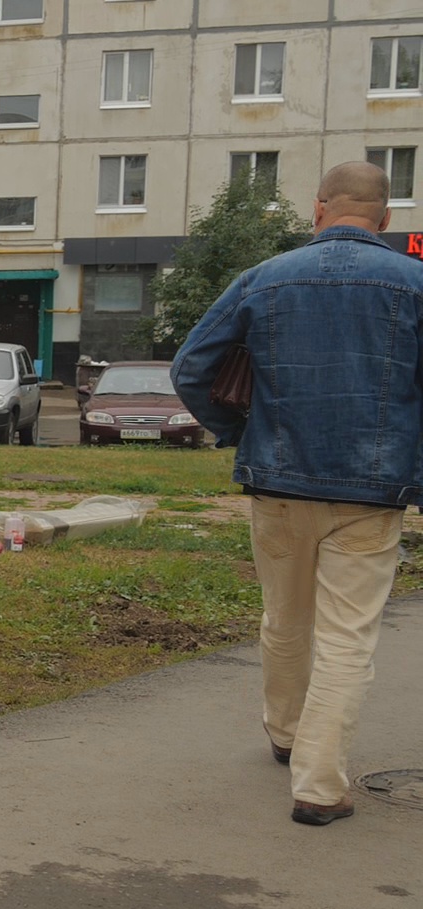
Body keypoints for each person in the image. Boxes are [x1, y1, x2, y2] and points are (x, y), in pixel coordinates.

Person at [171, 160, 423, 827]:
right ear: (386, 219)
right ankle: (317, 786)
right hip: (372, 491)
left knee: (285, 619)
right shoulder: (416, 282)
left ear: (318, 210)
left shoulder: (263, 279)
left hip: (277, 483)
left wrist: (241, 429)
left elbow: (191, 368)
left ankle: (284, 734)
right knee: (347, 637)